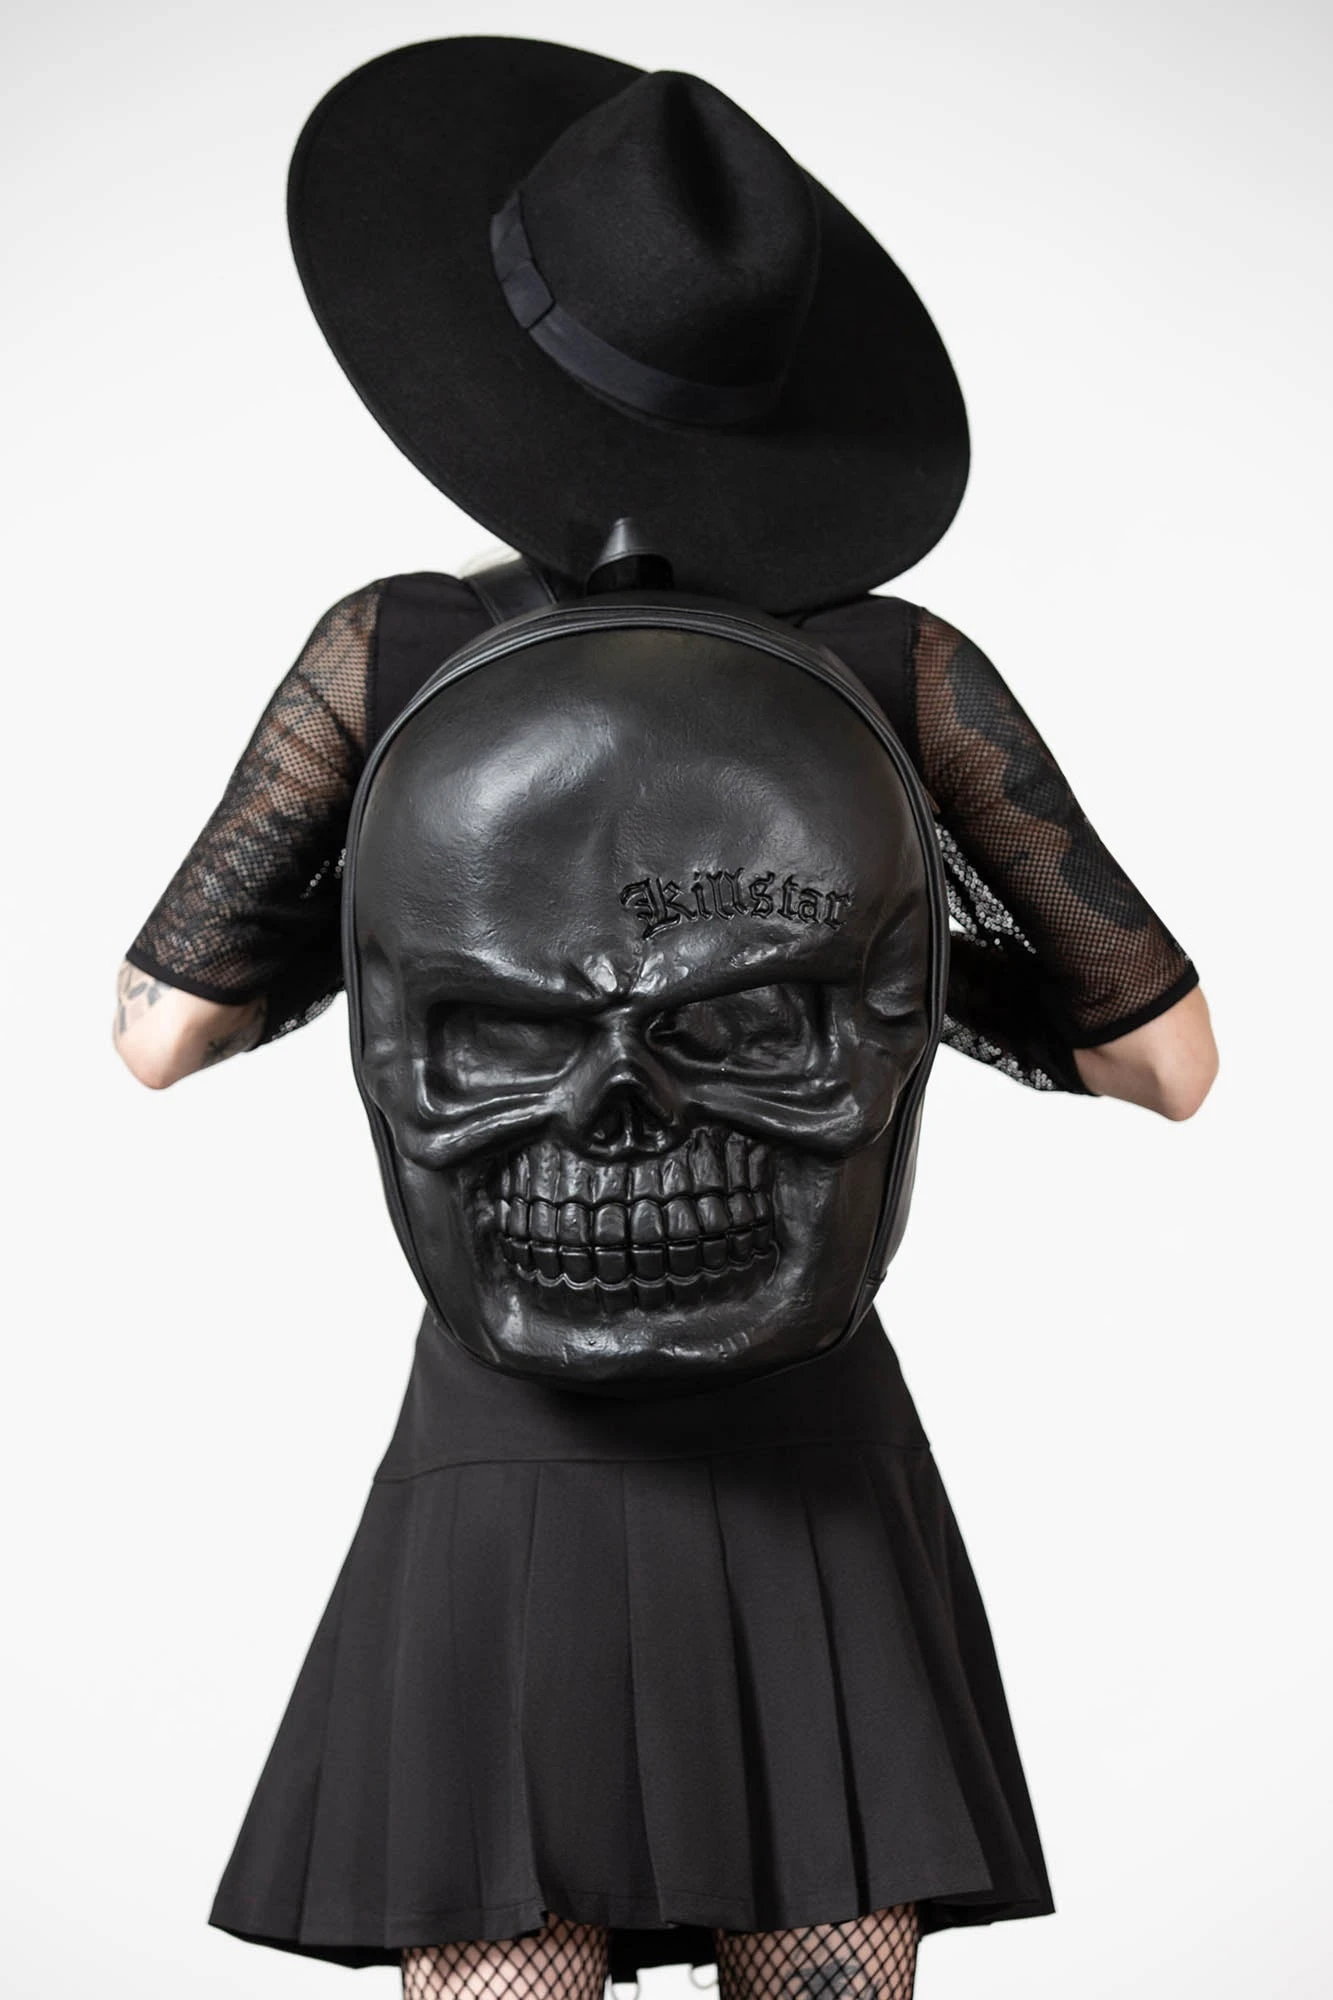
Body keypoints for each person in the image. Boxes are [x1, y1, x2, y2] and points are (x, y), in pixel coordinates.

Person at [112, 38, 1218, 2000]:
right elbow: (1170, 1062)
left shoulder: (394, 650)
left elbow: (160, 1033)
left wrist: (411, 935)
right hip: (808, 1450)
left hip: (501, 1458)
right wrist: (862, 969)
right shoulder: (895, 665)